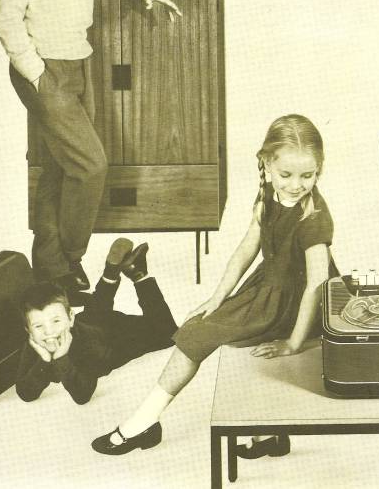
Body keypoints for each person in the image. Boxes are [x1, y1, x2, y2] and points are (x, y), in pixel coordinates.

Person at [91, 114, 338, 456]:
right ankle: (265, 435)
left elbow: (317, 283)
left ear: (318, 169)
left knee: (195, 337)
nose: (296, 185)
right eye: (286, 175)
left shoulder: (314, 218)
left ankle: (142, 423)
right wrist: (217, 298)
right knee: (198, 327)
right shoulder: (269, 196)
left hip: (299, 305)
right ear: (267, 164)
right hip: (267, 289)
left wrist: (294, 343)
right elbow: (245, 250)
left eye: (307, 176)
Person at [0, 0, 181, 293]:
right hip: (44, 69)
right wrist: (37, 74)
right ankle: (71, 260)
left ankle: (50, 267)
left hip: (80, 64)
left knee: (61, 168)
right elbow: (6, 20)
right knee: (91, 166)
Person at [16, 238, 177, 404]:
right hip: (88, 321)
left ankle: (138, 273)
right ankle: (111, 273)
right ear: (28, 330)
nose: (49, 331)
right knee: (96, 312)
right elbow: (25, 393)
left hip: (112, 337)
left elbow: (82, 396)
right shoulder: (35, 343)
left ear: (70, 318)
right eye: (39, 326)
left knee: (168, 334)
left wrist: (61, 357)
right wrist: (44, 360)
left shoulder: (87, 346)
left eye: (55, 321)